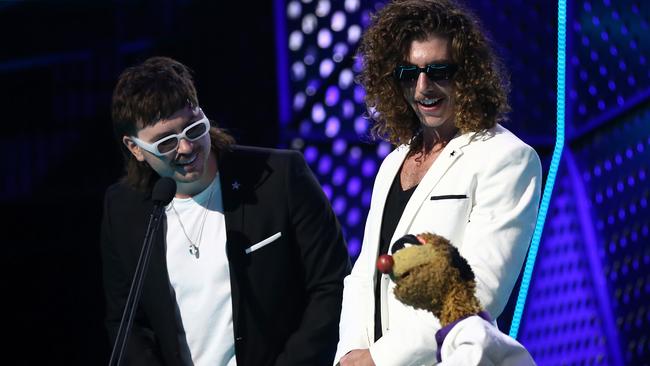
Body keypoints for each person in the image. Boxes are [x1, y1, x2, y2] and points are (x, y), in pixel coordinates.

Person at [101, 56, 351, 366]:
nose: (187, 148)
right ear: (135, 148)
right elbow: (127, 324)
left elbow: (332, 285)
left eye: (193, 129)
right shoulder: (123, 209)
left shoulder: (281, 177)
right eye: (166, 143)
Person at [335, 0, 542, 365]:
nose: (423, 87)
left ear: (468, 74)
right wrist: (351, 352)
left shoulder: (507, 157)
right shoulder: (394, 161)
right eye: (408, 74)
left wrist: (380, 359)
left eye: (439, 71)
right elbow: (364, 272)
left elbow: (476, 289)